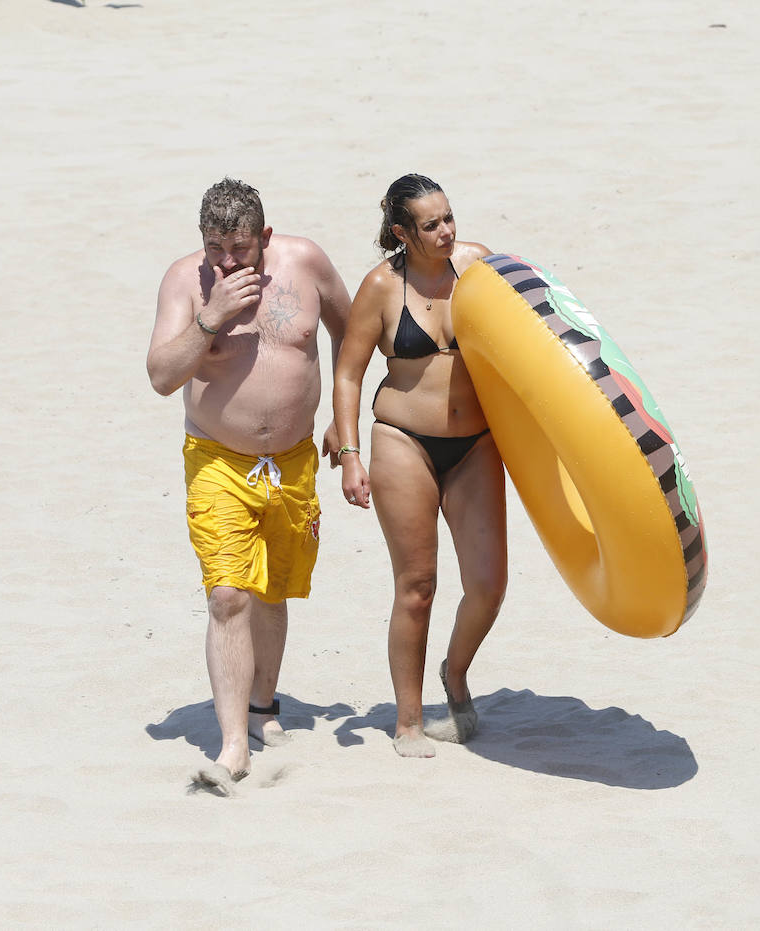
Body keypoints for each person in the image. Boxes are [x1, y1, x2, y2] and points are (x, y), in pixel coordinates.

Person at [146, 178, 351, 794]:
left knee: (273, 590)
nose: (228, 262)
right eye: (216, 249)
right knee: (229, 593)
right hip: (217, 460)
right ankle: (233, 744)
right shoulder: (186, 282)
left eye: (239, 248)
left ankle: (263, 706)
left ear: (265, 236)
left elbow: (353, 331)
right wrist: (209, 319)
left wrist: (346, 422)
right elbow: (160, 376)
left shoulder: (305, 261)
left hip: (292, 462)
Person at [332, 173, 507, 758]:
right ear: (401, 232)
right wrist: (351, 454)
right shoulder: (382, 287)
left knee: (488, 585)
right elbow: (349, 373)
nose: (446, 231)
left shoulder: (479, 266)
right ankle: (408, 720)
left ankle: (454, 675)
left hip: (476, 443)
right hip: (404, 440)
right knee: (417, 587)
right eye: (430, 224)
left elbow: (539, 339)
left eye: (449, 217)